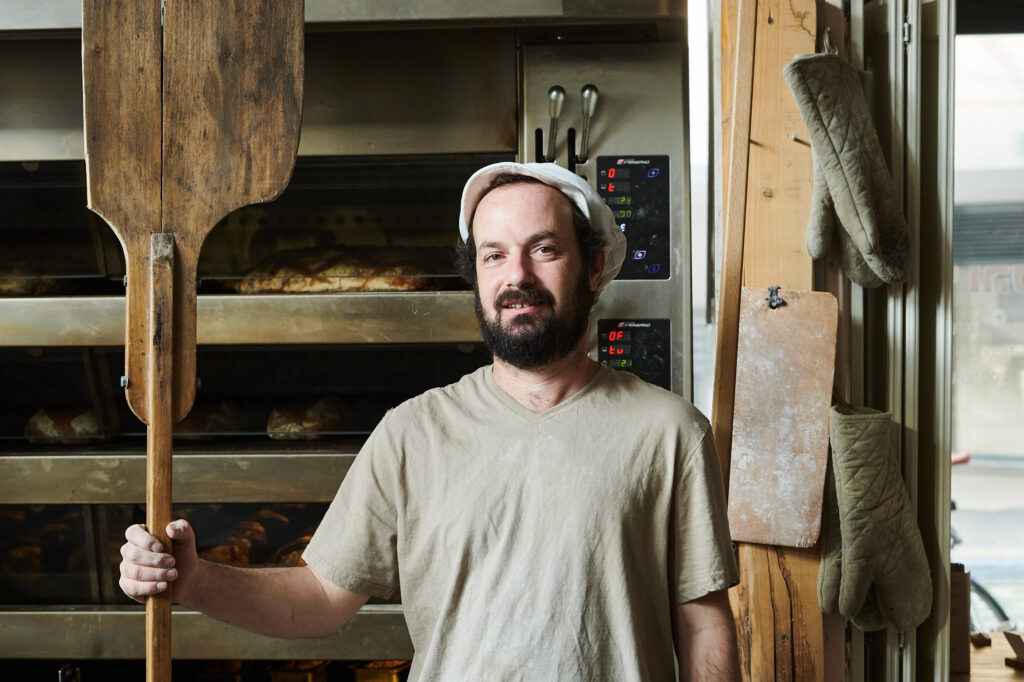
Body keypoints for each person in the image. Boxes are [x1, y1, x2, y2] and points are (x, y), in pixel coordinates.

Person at [119, 162, 740, 681]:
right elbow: (321, 598)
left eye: (543, 250)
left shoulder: (669, 432)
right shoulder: (413, 433)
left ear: (594, 267)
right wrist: (195, 581)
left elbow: (703, 621)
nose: (516, 277)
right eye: (494, 256)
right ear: (476, 277)